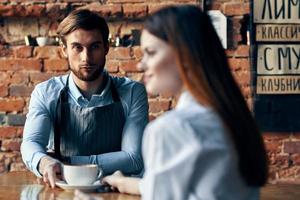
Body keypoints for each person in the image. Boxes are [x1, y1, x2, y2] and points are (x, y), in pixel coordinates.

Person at [74, 5, 268, 200]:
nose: (142, 64)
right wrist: (123, 182)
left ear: (185, 55)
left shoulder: (173, 129)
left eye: (151, 52)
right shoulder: (232, 120)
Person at [21, 9, 149, 188]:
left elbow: (133, 159)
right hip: (62, 191)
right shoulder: (46, 93)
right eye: (77, 47)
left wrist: (64, 162)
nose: (86, 57)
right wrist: (45, 163)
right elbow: (31, 143)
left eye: (94, 46)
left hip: (116, 192)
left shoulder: (133, 92)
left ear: (106, 48)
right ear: (64, 49)